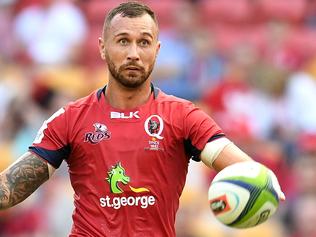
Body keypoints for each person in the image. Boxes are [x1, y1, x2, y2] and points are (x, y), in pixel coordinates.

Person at [0, 2, 285, 236]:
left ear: (157, 50)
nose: (134, 54)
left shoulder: (184, 117)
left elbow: (246, 170)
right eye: (123, 41)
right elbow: (9, 190)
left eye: (144, 42)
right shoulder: (70, 119)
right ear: (102, 47)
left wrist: (265, 184)